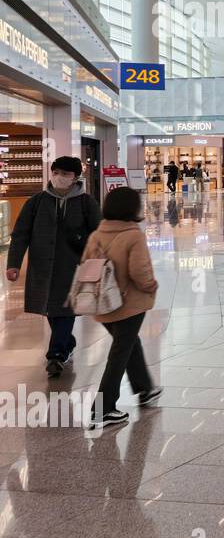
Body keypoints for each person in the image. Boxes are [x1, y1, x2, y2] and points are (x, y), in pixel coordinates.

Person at [5, 155, 102, 376]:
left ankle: (56, 355)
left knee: (65, 309)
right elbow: (21, 234)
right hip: (43, 267)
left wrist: (96, 262)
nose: (59, 177)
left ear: (76, 177)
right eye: (56, 172)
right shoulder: (37, 202)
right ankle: (67, 341)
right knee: (50, 308)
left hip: (74, 267)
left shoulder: (87, 203)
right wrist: (14, 264)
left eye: (65, 174)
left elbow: (99, 235)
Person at [83, 186, 162, 428]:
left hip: (103, 302)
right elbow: (140, 272)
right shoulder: (133, 235)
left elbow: (87, 265)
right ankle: (103, 409)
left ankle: (145, 388)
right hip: (128, 303)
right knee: (120, 351)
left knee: (128, 343)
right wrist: (151, 286)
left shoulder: (97, 234)